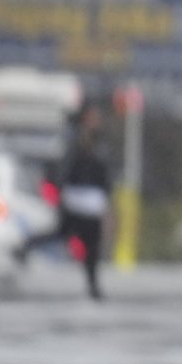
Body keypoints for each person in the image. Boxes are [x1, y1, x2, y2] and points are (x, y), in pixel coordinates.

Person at [54, 105, 115, 301]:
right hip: (77, 197)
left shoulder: (100, 142)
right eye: (92, 117)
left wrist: (107, 196)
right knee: (63, 233)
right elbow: (67, 167)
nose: (96, 121)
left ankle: (94, 287)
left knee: (92, 246)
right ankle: (24, 249)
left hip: (93, 200)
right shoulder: (76, 140)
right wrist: (62, 189)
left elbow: (105, 172)